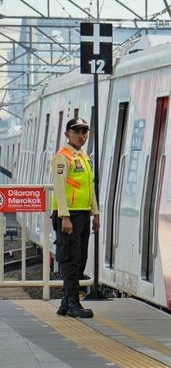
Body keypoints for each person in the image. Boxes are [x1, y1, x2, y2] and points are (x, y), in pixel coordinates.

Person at [50, 116, 100, 319]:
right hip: (68, 216)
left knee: (80, 260)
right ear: (67, 134)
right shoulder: (63, 157)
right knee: (70, 260)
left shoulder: (84, 157)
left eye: (84, 131)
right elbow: (60, 189)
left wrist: (95, 213)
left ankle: (66, 303)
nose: (81, 135)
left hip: (82, 214)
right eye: (77, 131)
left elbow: (90, 189)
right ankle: (73, 303)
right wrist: (64, 216)